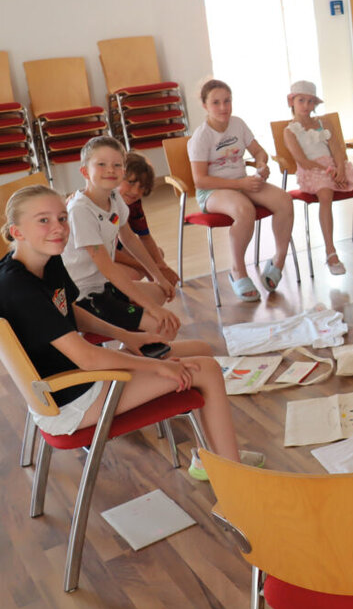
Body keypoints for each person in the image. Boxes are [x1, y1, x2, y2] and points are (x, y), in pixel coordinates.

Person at [0, 184, 262, 479]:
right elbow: (88, 358)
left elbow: (69, 311)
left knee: (200, 349)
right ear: (17, 231)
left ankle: (213, 457)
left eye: (62, 218)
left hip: (82, 380)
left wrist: (128, 337)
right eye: (43, 220)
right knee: (207, 370)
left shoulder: (45, 259)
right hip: (71, 399)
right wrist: (155, 367)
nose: (58, 228)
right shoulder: (19, 289)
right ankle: (235, 480)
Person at [61, 137, 180, 339]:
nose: (110, 170)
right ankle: (129, 354)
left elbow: (130, 239)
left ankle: (130, 349)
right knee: (165, 328)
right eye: (101, 164)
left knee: (160, 292)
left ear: (123, 171)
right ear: (84, 172)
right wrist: (150, 307)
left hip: (104, 286)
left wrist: (159, 277)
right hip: (83, 296)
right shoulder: (80, 210)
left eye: (117, 165)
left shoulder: (114, 198)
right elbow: (106, 265)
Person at [188, 79, 294, 302]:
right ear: (205, 106)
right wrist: (240, 185)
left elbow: (259, 152)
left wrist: (262, 165)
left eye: (227, 101)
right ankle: (238, 271)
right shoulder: (201, 136)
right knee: (245, 210)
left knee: (284, 200)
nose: (223, 107)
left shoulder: (238, 124)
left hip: (241, 183)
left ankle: (278, 260)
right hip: (212, 192)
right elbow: (200, 181)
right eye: (216, 102)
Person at [282, 80, 353, 274]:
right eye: (301, 100)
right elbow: (302, 161)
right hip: (313, 169)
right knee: (325, 194)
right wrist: (329, 172)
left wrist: (340, 170)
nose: (306, 106)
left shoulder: (323, 123)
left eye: (310, 101)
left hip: (336, 165)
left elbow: (337, 149)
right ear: (291, 102)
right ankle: (330, 252)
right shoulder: (289, 131)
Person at [114, 152, 181, 288]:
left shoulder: (133, 203)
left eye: (142, 187)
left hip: (115, 251)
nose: (135, 191)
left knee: (158, 254)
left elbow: (145, 237)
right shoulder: (106, 204)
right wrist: (151, 267)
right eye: (131, 182)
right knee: (135, 273)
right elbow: (110, 254)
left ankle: (158, 290)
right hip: (96, 262)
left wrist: (161, 266)